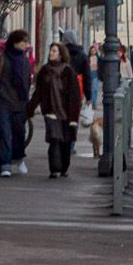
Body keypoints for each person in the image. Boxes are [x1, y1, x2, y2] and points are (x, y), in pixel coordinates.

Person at [25, 42, 80, 178]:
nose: (51, 53)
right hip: (50, 111)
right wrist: (29, 109)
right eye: (50, 50)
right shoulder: (44, 71)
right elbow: (38, 92)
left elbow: (75, 96)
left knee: (65, 141)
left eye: (54, 51)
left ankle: (64, 167)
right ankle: (54, 168)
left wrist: (74, 118)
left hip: (66, 113)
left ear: (60, 55)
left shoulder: (68, 72)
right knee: (54, 139)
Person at [0, 29, 31, 177]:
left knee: (19, 133)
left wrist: (27, 103)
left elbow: (26, 82)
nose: (27, 44)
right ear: (16, 42)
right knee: (4, 133)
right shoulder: (0, 60)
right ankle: (5, 165)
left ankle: (18, 158)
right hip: (2, 102)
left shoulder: (25, 61)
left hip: (19, 103)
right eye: (24, 41)